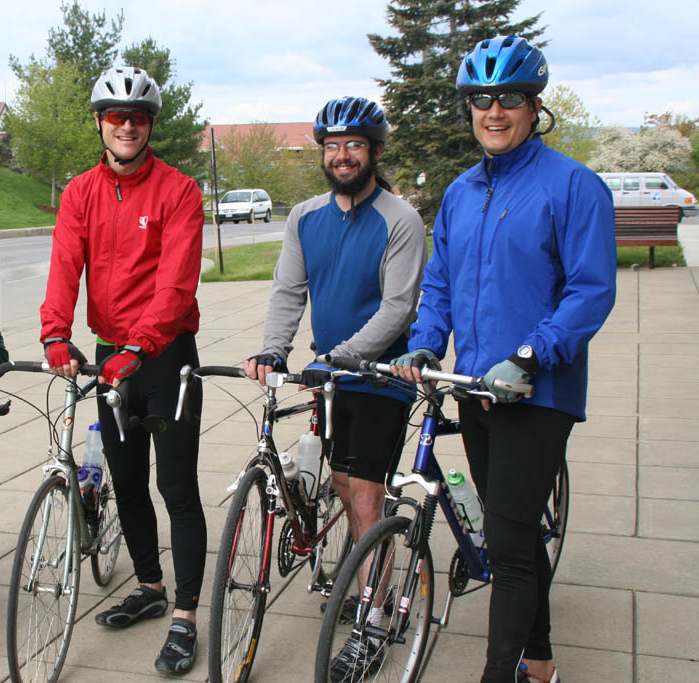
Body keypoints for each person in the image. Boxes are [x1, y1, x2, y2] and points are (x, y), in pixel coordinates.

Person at [392, 36, 616, 683]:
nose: (494, 111)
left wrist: (530, 354)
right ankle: (540, 661)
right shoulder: (461, 193)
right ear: (469, 108)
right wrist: (428, 339)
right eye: (481, 100)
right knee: (511, 530)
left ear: (533, 105)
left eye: (509, 98)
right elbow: (440, 283)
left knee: (512, 542)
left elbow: (590, 289)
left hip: (537, 393)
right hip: (474, 386)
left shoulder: (573, 186)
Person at [244, 96, 426, 675]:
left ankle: (374, 621)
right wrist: (275, 348)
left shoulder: (400, 218)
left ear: (373, 152)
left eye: (353, 146)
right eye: (332, 147)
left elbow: (398, 308)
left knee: (367, 495)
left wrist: (342, 356)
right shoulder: (304, 216)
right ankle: (366, 573)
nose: (342, 156)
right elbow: (289, 292)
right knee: (345, 486)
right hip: (333, 378)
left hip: (379, 376)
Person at [39, 65, 206, 676]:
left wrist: (140, 345)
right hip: (114, 355)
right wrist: (56, 330)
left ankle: (187, 618)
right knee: (128, 482)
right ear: (100, 124)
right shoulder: (81, 191)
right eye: (115, 116)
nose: (127, 125)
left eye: (137, 117)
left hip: (164, 358)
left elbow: (176, 281)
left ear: (150, 124)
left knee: (177, 488)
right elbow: (64, 264)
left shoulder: (179, 190)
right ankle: (151, 587)